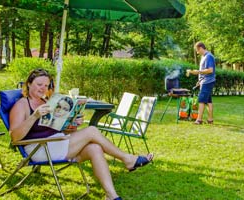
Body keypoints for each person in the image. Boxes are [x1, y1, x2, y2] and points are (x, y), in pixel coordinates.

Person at [9, 68, 153, 200]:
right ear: (28, 84)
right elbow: (14, 138)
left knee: (95, 148)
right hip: (38, 149)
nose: (43, 88)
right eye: (39, 84)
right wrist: (34, 116)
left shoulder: (47, 102)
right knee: (92, 131)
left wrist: (72, 124)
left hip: (55, 142)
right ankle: (127, 159)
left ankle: (111, 196)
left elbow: (58, 128)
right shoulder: (22, 105)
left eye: (46, 86)